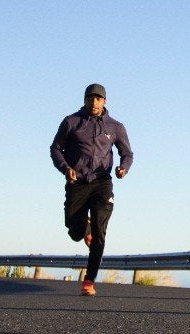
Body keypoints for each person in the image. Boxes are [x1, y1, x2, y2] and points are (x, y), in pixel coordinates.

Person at [50, 83, 134, 296]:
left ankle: (89, 280)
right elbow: (55, 149)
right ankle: (82, 228)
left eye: (98, 99)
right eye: (90, 98)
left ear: (105, 101)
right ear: (85, 99)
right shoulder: (71, 122)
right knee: (74, 231)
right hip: (77, 182)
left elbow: (127, 153)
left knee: (100, 231)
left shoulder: (115, 127)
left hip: (102, 183)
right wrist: (66, 168)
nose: (94, 103)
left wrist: (124, 168)